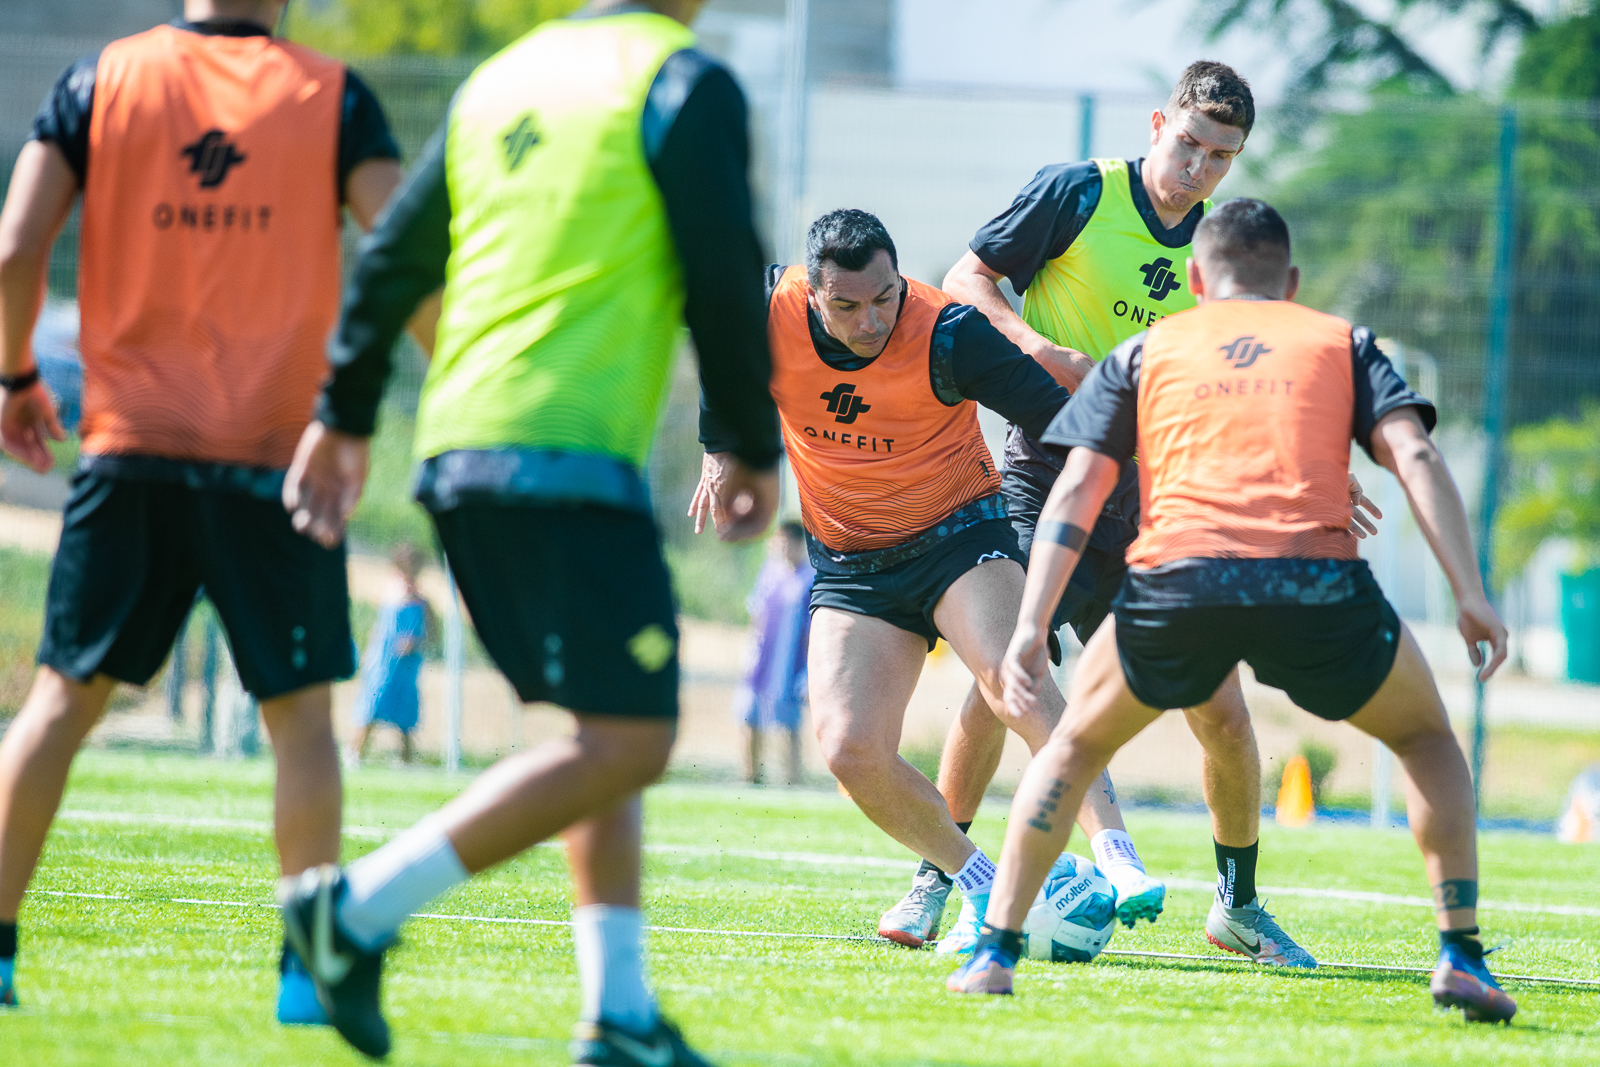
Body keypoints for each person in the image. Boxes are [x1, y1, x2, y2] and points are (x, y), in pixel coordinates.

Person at [274, 1, 779, 1063]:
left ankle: (621, 1013)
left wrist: (346, 408)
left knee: (605, 724)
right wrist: (746, 440)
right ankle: (353, 908)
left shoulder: (501, 78)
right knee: (633, 737)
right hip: (565, 454)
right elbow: (725, 273)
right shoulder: (680, 81)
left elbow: (390, 259)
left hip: (461, 445)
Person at [949, 198, 1519, 1029]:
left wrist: (1032, 622)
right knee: (1428, 739)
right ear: (1289, 283)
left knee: (1069, 748)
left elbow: (1078, 483)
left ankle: (996, 952)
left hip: (1180, 585)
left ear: (1192, 280)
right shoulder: (1340, 341)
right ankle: (1461, 953)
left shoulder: (1148, 348)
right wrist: (1470, 592)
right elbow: (1417, 454)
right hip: (1314, 587)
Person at [915, 59, 1374, 967]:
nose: (1199, 168)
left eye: (1222, 157)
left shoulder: (1214, 256)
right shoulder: (1078, 195)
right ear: (1158, 122)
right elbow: (964, 278)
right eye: (1190, 144)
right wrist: (1040, 349)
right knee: (1000, 679)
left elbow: (1243, 376)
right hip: (1042, 474)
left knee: (1223, 711)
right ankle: (939, 880)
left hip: (1159, 497)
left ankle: (1238, 903)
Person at [0, 0, 403, 1017]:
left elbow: (12, 253)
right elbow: (398, 255)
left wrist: (12, 379)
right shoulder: (330, 97)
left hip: (131, 448)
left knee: (57, 705)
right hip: (279, 459)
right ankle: (305, 982)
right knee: (302, 721)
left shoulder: (103, 81)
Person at [691, 209, 1164, 955]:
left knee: (1018, 680)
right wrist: (720, 447)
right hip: (851, 564)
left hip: (957, 538)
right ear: (812, 294)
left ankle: (1118, 856)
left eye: (884, 296)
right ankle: (976, 884)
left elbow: (1060, 417)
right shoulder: (766, 309)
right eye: (846, 305)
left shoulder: (948, 331)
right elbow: (723, 348)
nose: (872, 317)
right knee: (849, 748)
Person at [733, 522, 813, 786]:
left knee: (788, 726)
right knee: (747, 716)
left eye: (788, 543)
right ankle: (750, 777)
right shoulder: (770, 572)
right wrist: (749, 649)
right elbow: (757, 612)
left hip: (790, 666)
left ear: (799, 544)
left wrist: (810, 672)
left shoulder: (809, 579)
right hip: (761, 662)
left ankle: (793, 780)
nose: (783, 548)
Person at [347, 544, 434, 767]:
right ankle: (354, 756)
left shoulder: (424, 603)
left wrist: (414, 643)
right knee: (372, 707)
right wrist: (368, 656)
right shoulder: (389, 596)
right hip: (383, 664)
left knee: (404, 716)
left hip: (407, 668)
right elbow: (379, 630)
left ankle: (406, 763)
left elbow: (432, 636)